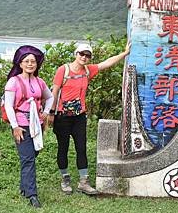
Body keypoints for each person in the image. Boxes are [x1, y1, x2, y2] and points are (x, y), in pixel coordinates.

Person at [50, 41, 130, 195]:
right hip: (62, 117)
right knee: (63, 148)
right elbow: (54, 92)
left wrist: (124, 54)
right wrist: (51, 113)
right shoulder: (63, 70)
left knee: (81, 148)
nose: (84, 57)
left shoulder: (88, 71)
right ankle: (65, 178)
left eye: (88, 55)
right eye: (82, 54)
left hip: (79, 117)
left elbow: (106, 64)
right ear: (76, 54)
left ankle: (83, 182)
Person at [4, 45, 54, 208]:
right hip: (21, 124)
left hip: (37, 124)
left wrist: (46, 112)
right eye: (27, 61)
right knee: (28, 159)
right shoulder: (14, 81)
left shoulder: (39, 81)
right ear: (20, 63)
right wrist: (15, 127)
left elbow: (50, 96)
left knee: (33, 154)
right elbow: (9, 106)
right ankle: (32, 195)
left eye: (33, 61)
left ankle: (24, 186)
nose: (30, 64)